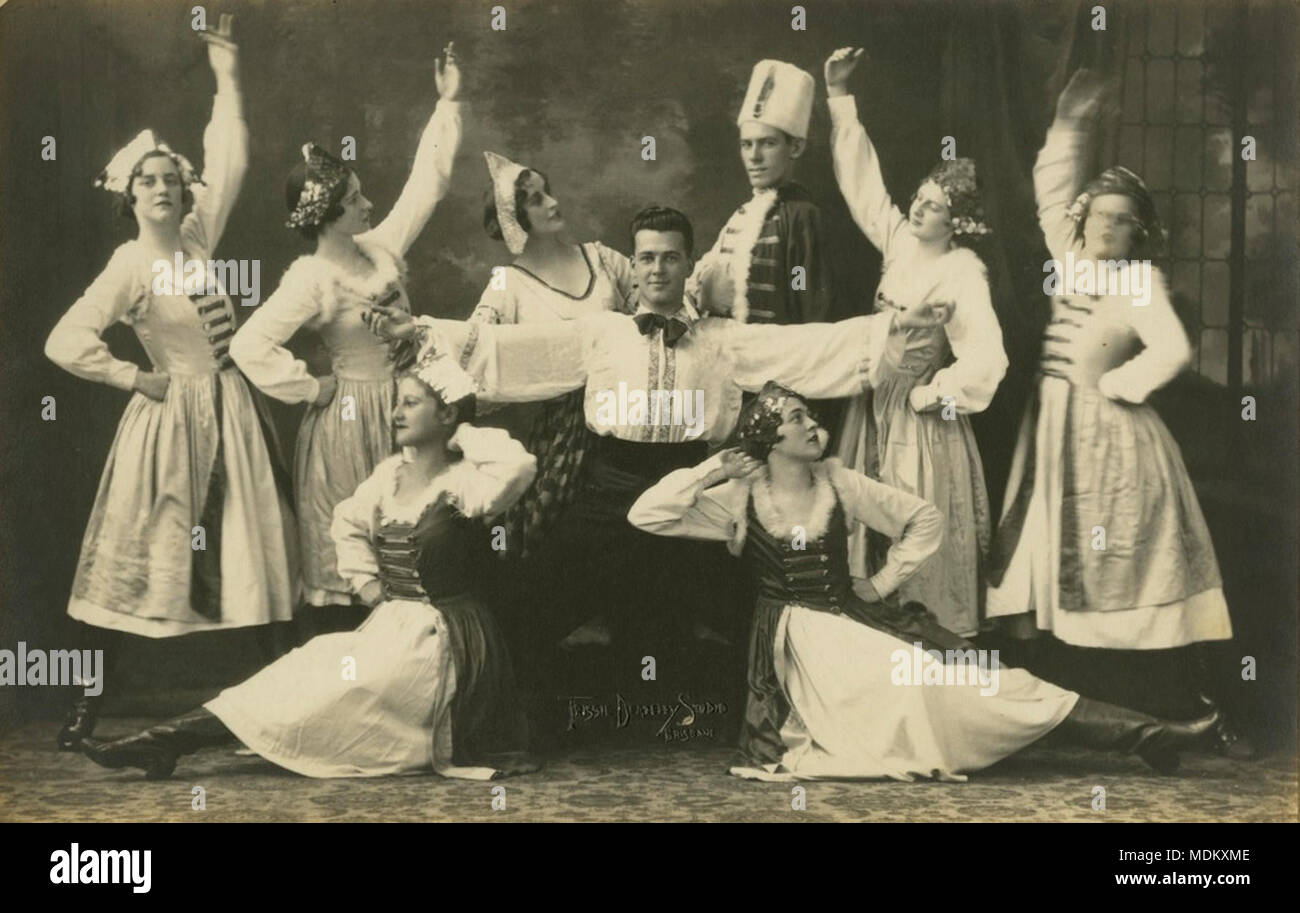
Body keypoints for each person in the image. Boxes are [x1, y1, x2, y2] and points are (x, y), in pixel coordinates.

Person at [365, 205, 949, 650]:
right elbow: (508, 351)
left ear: (689, 263)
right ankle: (512, 721)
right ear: (634, 265)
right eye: (646, 258)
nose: (658, 269)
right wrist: (415, 333)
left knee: (759, 614)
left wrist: (893, 331)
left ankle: (788, 710)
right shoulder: (601, 334)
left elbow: (808, 349)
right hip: (607, 485)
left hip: (696, 487)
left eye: (671, 257)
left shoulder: (723, 339)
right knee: (528, 606)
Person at [627, 382, 1219, 780]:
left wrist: (880, 585)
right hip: (799, 649)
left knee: (979, 678)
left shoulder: (839, 480)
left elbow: (922, 519)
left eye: (809, 414)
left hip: (855, 620)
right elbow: (647, 514)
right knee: (920, 694)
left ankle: (1147, 736)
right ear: (770, 439)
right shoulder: (740, 496)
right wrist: (712, 469)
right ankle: (1134, 736)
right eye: (796, 418)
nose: (812, 424)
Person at [80, 348, 540, 781]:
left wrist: (459, 427)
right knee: (306, 665)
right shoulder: (389, 475)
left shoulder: (466, 483)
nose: (395, 413)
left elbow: (519, 467)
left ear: (444, 415)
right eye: (397, 402)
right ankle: (167, 740)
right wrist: (367, 586)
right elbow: (347, 523)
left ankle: (172, 740)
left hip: (448, 642)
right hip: (390, 628)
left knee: (345, 692)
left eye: (412, 403)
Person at [44, 17, 298, 750]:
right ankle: (86, 708)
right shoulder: (130, 264)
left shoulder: (195, 242)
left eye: (171, 179)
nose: (162, 188)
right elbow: (64, 340)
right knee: (137, 568)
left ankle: (279, 709)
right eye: (146, 181)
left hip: (232, 415)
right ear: (128, 197)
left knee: (254, 555)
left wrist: (225, 73)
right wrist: (132, 376)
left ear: (187, 192)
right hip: (168, 426)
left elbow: (232, 155)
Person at [984, 69, 1253, 758]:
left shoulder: (1139, 280)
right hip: (1049, 441)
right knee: (1041, 564)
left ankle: (1185, 710)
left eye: (1118, 219)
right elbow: (1051, 189)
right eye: (1097, 215)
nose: (1104, 225)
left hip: (1113, 443)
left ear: (1138, 231)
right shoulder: (1069, 263)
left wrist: (1119, 388)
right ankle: (1053, 712)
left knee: (1126, 566)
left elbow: (1172, 350)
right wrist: (1072, 123)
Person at [229, 44, 463, 637]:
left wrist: (448, 103)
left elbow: (424, 188)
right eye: (356, 198)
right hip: (350, 425)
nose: (369, 203)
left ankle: (407, 668)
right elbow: (249, 345)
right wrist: (310, 389)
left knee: (416, 545)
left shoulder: (380, 248)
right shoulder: (312, 279)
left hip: (408, 410)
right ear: (329, 215)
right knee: (355, 555)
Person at [824, 47, 1008, 636]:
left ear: (958, 221)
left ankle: (924, 636)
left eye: (934, 206)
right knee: (861, 513)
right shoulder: (901, 242)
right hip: (871, 400)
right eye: (920, 198)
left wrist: (935, 396)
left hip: (921, 420)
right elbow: (865, 191)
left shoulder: (962, 272)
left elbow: (987, 357)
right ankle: (866, 633)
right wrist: (840, 99)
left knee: (916, 515)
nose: (918, 208)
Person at [463, 150, 636, 562]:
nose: (553, 203)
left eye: (548, 192)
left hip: (625, 416)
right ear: (514, 219)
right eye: (536, 200)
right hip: (564, 432)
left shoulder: (602, 258)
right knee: (555, 542)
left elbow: (657, 312)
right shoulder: (509, 283)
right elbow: (476, 352)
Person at [688, 59, 833, 326]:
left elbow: (808, 305)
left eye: (768, 143)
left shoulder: (802, 217)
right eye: (746, 144)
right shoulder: (743, 214)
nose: (754, 156)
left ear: (796, 148)